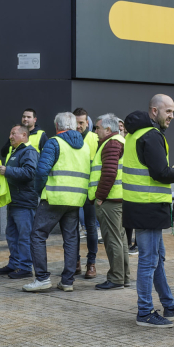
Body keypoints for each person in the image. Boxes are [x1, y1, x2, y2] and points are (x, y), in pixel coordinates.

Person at [122, 95, 174, 327]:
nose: (171, 116)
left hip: (141, 205)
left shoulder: (134, 134)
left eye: (173, 111)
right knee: (149, 261)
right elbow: (160, 172)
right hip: (148, 207)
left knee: (156, 259)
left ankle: (169, 305)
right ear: (154, 111)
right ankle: (145, 312)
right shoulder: (151, 136)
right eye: (168, 111)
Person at [21, 113, 90, 293]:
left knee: (37, 235)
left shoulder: (54, 142)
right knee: (71, 239)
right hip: (75, 200)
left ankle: (42, 278)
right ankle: (67, 281)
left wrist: (39, 191)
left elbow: (42, 171)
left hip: (54, 197)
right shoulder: (85, 146)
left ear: (57, 125)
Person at [89, 114, 129, 291]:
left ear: (107, 129)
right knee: (120, 239)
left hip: (110, 200)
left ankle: (116, 278)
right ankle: (123, 277)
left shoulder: (111, 143)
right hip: (118, 198)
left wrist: (100, 196)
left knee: (113, 239)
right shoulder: (119, 141)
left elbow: (110, 172)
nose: (95, 131)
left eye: (97, 128)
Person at [0, 125, 38, 280]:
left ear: (24, 135)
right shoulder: (15, 151)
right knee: (12, 235)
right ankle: (14, 264)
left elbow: (30, 172)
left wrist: (8, 171)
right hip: (14, 201)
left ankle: (25, 267)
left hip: (24, 202)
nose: (10, 136)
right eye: (10, 133)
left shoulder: (29, 151)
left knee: (24, 236)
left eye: (13, 133)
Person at [73, 107, 98, 278]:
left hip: (90, 192)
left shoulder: (95, 139)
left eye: (81, 123)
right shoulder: (69, 138)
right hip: (73, 190)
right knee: (72, 228)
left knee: (90, 227)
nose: (78, 126)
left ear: (87, 122)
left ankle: (92, 263)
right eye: (76, 122)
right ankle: (74, 262)